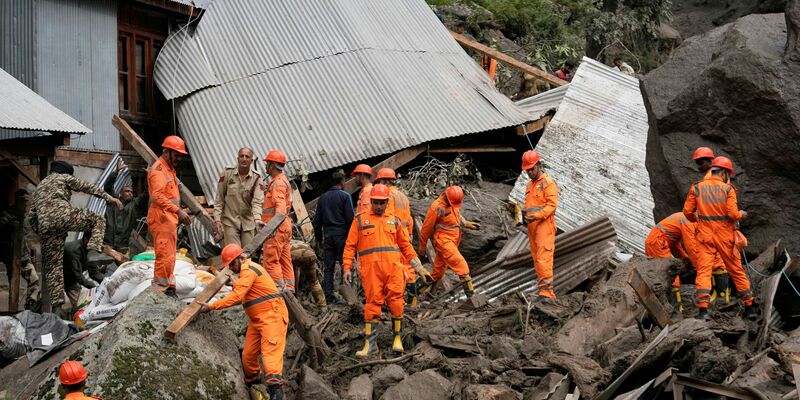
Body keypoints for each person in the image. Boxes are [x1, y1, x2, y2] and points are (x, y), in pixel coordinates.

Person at [342, 184, 425, 357]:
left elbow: (406, 246)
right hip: (371, 271)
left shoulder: (394, 220)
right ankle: (370, 345)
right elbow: (350, 246)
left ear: (387, 202)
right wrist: (347, 267)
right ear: (371, 201)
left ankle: (397, 339)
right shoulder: (360, 220)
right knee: (372, 304)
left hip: (393, 269)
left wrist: (419, 267)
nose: (379, 206)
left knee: (396, 301)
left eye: (382, 202)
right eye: (376, 202)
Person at [29, 161, 122, 314]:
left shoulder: (39, 187)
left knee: (54, 269)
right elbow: (85, 186)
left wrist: (41, 231)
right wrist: (108, 197)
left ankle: (57, 309)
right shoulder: (63, 178)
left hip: (46, 228)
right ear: (65, 172)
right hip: (63, 216)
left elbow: (32, 215)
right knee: (97, 219)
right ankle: (92, 252)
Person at [200, 244, 288, 400]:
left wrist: (212, 306)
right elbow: (247, 287)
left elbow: (237, 296)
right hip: (257, 319)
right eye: (230, 265)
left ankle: (276, 391)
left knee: (270, 355)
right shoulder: (246, 272)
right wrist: (234, 284)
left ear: (241, 258)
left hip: (272, 315)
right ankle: (255, 384)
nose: (232, 268)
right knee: (248, 355)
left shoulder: (249, 268)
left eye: (233, 264)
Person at [683, 156, 756, 320]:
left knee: (704, 271)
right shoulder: (728, 190)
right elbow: (732, 214)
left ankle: (703, 311)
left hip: (705, 237)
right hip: (725, 237)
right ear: (723, 172)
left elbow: (687, 213)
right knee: (736, 270)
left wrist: (699, 220)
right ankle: (750, 308)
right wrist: (742, 215)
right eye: (728, 174)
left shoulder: (697, 188)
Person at [644, 212, 726, 313]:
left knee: (681, 264)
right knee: (670, 274)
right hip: (657, 243)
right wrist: (700, 267)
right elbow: (691, 248)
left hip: (663, 242)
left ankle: (670, 303)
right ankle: (676, 307)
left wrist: (687, 259)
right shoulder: (689, 222)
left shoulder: (685, 218)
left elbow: (676, 244)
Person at [147, 136, 191, 296]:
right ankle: (159, 290)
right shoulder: (158, 170)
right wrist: (178, 211)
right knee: (164, 256)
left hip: (167, 220)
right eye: (177, 155)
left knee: (170, 255)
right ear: (167, 152)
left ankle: (168, 286)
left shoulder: (169, 170)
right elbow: (157, 196)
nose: (179, 158)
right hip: (161, 219)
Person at [418, 186, 479, 299]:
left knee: (437, 273)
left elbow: (456, 214)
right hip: (444, 242)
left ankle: (413, 293)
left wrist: (465, 223)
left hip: (452, 240)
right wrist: (422, 249)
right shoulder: (436, 207)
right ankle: (473, 298)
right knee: (462, 265)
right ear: (447, 197)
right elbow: (425, 230)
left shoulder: (452, 201)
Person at [374, 168, 418, 305]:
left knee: (396, 268)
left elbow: (388, 217)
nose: (379, 185)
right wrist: (410, 234)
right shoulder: (402, 196)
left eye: (380, 181)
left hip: (395, 235)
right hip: (405, 233)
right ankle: (413, 301)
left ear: (385, 181)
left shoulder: (389, 195)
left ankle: (398, 300)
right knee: (409, 268)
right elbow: (409, 219)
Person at [312, 171, 355, 304]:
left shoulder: (323, 198)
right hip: (342, 236)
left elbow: (316, 222)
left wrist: (319, 238)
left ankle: (329, 297)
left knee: (328, 267)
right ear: (343, 183)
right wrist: (353, 239)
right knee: (346, 266)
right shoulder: (345, 196)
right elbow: (350, 220)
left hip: (328, 236)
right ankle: (350, 297)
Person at [522, 150, 559, 299]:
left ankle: (547, 292)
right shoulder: (529, 186)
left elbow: (552, 206)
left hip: (544, 225)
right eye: (527, 170)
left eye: (532, 168)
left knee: (544, 258)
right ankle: (543, 290)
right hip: (532, 227)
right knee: (537, 258)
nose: (530, 172)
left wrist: (536, 216)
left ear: (539, 165)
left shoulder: (547, 183)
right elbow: (531, 206)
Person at [213, 147, 264, 247]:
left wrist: (257, 219)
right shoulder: (228, 173)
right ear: (237, 159)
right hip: (230, 222)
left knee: (247, 256)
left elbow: (257, 202)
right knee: (234, 255)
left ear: (251, 161)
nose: (244, 159)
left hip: (248, 223)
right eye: (241, 156)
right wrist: (217, 219)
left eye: (247, 157)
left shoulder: (256, 178)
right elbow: (219, 199)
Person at [0, 189, 40, 309]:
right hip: (11, 256)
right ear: (19, 200)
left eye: (28, 200)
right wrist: (10, 222)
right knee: (14, 283)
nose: (27, 203)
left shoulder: (24, 215)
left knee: (34, 280)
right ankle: (13, 307)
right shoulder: (7, 213)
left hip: (24, 256)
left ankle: (30, 304)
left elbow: (24, 237)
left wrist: (30, 251)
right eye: (25, 200)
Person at [261, 150, 294, 292]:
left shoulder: (278, 184)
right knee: (285, 261)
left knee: (271, 260)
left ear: (272, 165)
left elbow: (279, 212)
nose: (266, 166)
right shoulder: (283, 181)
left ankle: (279, 291)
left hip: (276, 228)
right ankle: (290, 289)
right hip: (284, 228)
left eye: (267, 163)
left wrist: (270, 229)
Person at [103, 169, 148, 254]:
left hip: (122, 244)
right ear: (121, 193)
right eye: (127, 191)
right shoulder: (113, 201)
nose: (130, 193)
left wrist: (148, 177)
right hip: (108, 242)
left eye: (131, 192)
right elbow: (108, 187)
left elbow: (146, 194)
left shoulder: (134, 204)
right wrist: (115, 173)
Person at [63, 235, 105, 308]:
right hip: (59, 277)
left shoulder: (90, 249)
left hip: (72, 278)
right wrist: (94, 287)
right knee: (72, 304)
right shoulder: (74, 251)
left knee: (79, 302)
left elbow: (94, 272)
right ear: (86, 239)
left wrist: (105, 282)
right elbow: (77, 275)